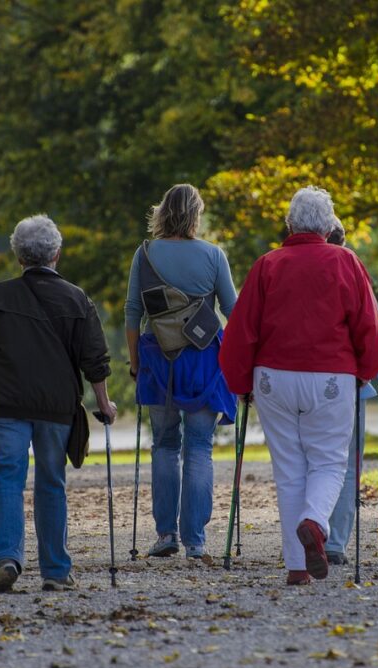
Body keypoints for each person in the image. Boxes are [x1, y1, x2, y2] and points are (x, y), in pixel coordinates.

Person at [219, 186, 378, 585]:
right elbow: (367, 325)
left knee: (289, 468)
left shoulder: (267, 265)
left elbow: (242, 330)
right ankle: (315, 522)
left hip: (274, 376)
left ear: (290, 223)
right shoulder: (346, 261)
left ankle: (297, 566)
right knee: (329, 461)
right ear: (329, 225)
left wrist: (240, 382)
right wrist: (367, 370)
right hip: (330, 375)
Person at [0, 214, 116, 593]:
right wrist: (105, 404)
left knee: (7, 479)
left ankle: (8, 558)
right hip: (55, 406)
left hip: (6, 404)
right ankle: (56, 571)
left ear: (18, 256)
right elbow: (94, 358)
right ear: (56, 255)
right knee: (51, 482)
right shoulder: (77, 298)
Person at [124, 184, 237, 560]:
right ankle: (196, 541)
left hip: (158, 358)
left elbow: (131, 313)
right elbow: (232, 312)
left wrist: (135, 363)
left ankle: (165, 534)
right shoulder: (213, 255)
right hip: (203, 359)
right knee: (200, 448)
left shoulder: (145, 255)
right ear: (195, 215)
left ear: (162, 212)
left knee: (165, 444)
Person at [324, 221, 378, 566]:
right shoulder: (352, 270)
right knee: (345, 465)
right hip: (348, 383)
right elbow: (375, 330)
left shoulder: (286, 266)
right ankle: (335, 542)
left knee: (307, 463)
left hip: (295, 381)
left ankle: (308, 532)